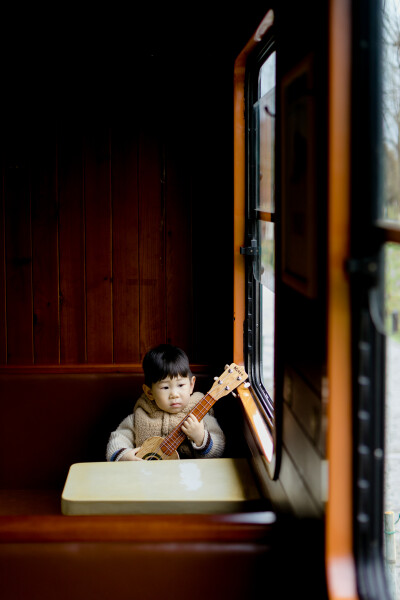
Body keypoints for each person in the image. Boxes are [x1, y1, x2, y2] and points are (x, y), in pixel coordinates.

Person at [106, 344, 225, 461]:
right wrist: (124, 456)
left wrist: (201, 437)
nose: (174, 394)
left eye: (181, 385)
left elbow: (219, 447)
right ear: (149, 392)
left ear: (191, 385)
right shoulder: (139, 417)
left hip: (190, 475)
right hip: (147, 477)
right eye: (165, 387)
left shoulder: (200, 415)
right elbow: (118, 439)